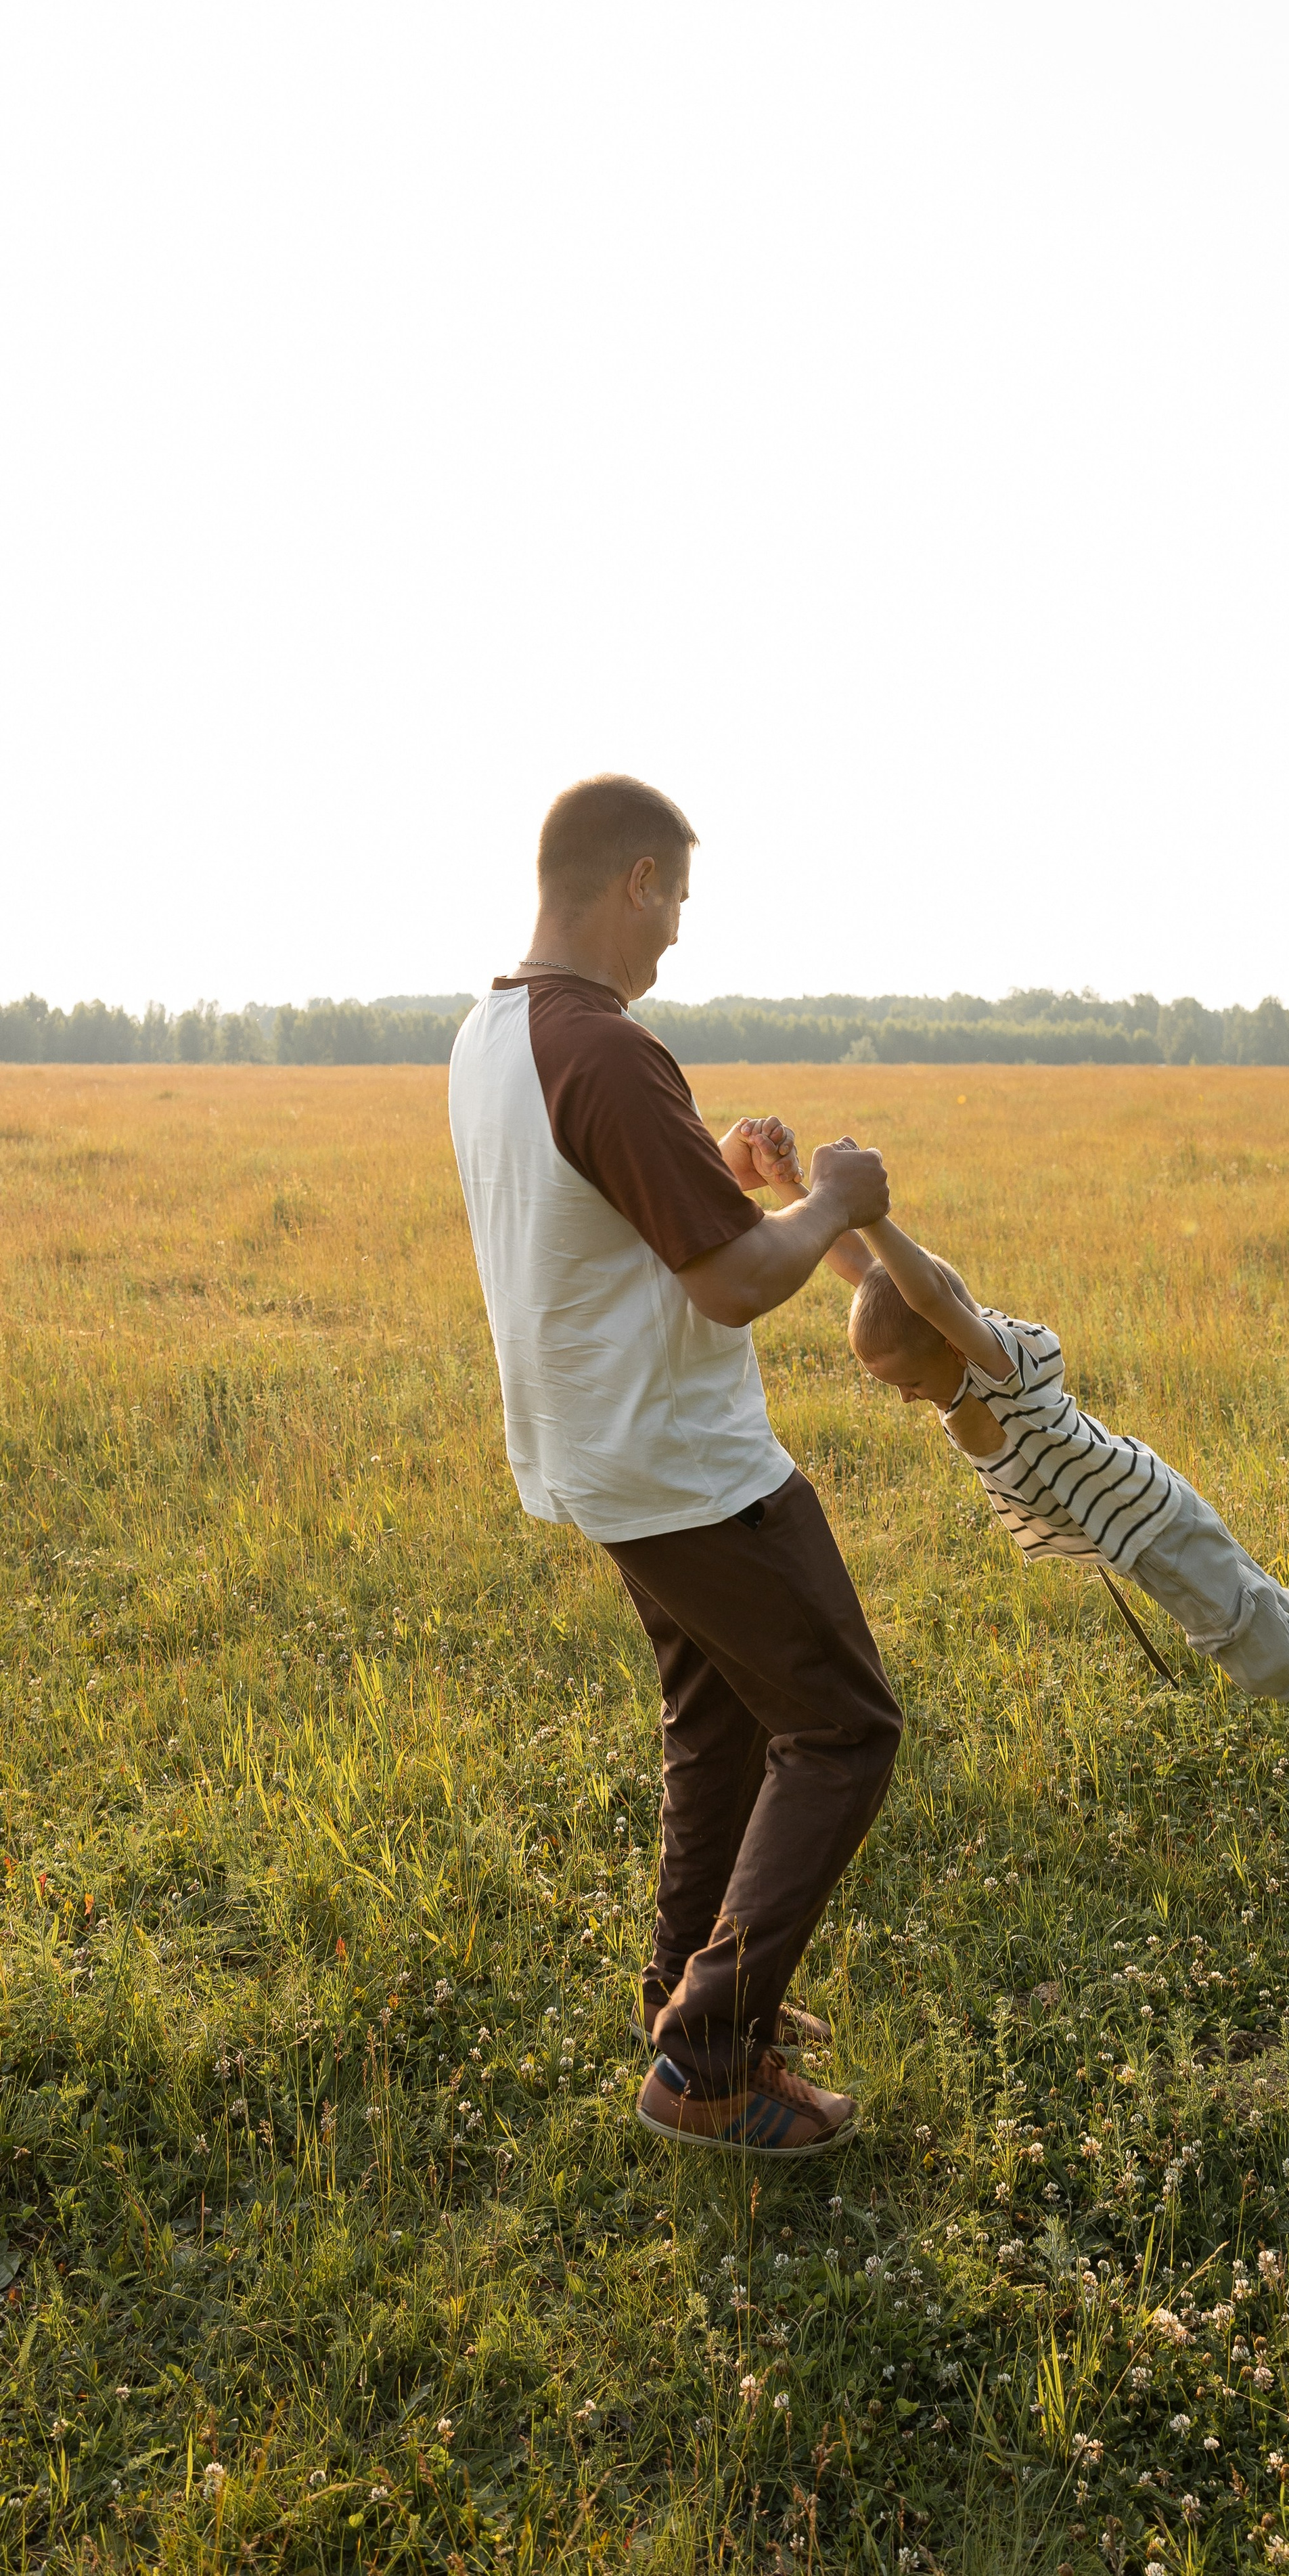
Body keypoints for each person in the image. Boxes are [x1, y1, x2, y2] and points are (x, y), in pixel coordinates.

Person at [447, 775, 897, 2159]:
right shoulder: (606, 1046)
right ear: (634, 880)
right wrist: (832, 1199)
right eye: (677, 901)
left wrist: (717, 1161)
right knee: (842, 1729)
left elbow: (597, 1194)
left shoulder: (496, 1033)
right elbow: (732, 1285)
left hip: (600, 1457)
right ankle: (705, 2061)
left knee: (721, 1729)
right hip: (691, 1469)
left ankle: (683, 1996)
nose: (679, 934)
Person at [759, 1144, 1289, 1803]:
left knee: (1255, 1656)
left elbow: (932, 1297)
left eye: (906, 1383)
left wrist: (873, 1211)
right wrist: (806, 1193)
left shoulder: (1000, 1368)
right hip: (1143, 1509)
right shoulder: (945, 1353)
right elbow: (867, 1273)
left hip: (1150, 1531)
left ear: (950, 1344)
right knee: (1249, 1603)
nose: (906, 1399)